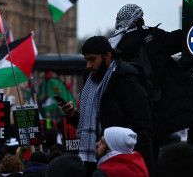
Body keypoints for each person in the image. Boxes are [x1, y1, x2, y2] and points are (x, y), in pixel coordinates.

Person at [110, 4, 193, 144]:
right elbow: (180, 39)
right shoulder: (151, 36)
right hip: (162, 105)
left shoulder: (116, 46)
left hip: (131, 110)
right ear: (140, 20)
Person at [58, 36, 153, 175]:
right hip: (95, 160)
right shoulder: (91, 80)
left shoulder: (127, 79)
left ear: (107, 56)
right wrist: (73, 116)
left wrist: (144, 168)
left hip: (122, 164)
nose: (88, 66)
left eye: (92, 59)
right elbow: (94, 124)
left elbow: (143, 127)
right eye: (86, 60)